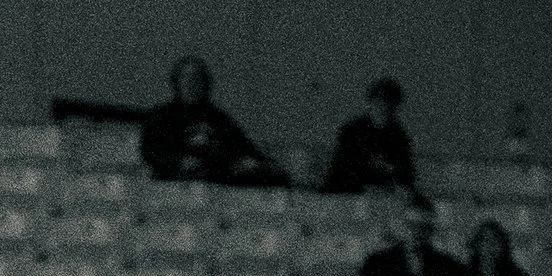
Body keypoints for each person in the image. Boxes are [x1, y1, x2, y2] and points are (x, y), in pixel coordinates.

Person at [141, 59, 286, 190]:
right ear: (177, 82)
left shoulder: (217, 118)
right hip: (177, 180)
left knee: (271, 175)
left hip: (219, 175)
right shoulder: (162, 116)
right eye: (187, 78)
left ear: (205, 84)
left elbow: (242, 145)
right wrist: (178, 162)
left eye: (197, 79)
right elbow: (150, 151)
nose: (192, 84)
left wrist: (255, 161)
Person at [321, 79, 416, 200]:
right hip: (342, 196)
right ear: (371, 103)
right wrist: (364, 187)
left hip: (379, 198)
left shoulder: (398, 137)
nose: (383, 108)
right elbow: (341, 169)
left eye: (388, 103)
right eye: (379, 102)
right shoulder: (352, 131)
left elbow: (406, 173)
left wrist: (394, 186)